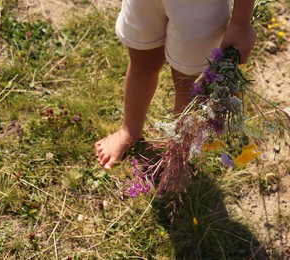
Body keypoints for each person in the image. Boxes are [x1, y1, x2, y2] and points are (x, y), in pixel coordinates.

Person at [95, 0, 256, 195]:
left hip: (200, 7)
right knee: (142, 63)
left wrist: (241, 21)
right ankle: (130, 129)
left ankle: (178, 157)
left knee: (187, 86)